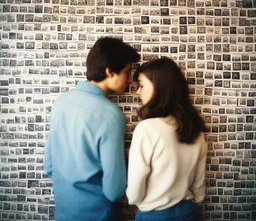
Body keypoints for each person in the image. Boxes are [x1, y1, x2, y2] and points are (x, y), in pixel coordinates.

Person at [44, 37, 140, 221]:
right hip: (97, 215)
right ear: (109, 71)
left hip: (63, 213)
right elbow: (114, 191)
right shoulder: (111, 115)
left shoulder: (61, 102)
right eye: (127, 72)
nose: (130, 80)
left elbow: (49, 166)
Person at [126, 57, 207, 221]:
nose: (137, 92)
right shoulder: (196, 130)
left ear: (159, 86)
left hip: (155, 213)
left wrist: (138, 203)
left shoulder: (147, 129)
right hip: (188, 211)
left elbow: (135, 187)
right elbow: (199, 185)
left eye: (141, 85)